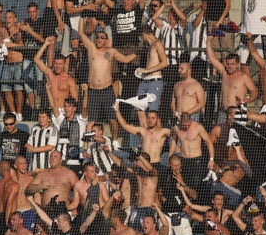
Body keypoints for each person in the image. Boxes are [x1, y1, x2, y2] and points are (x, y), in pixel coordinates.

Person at [79, 16, 137, 149]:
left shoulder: (111, 52)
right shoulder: (91, 48)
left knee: (112, 118)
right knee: (90, 119)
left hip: (107, 90)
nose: (99, 39)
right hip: (93, 91)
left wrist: (137, 52)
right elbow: (81, 33)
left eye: (102, 37)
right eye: (97, 37)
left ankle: (115, 141)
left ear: (107, 40)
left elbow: (126, 59)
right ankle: (87, 147)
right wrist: (83, 16)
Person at [206, 38, 258, 124]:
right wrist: (209, 41)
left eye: (232, 64)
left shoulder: (243, 76)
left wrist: (249, 99)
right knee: (221, 135)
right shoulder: (224, 72)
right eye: (228, 64)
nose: (229, 66)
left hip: (236, 112)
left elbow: (254, 91)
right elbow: (212, 58)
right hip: (223, 112)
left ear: (238, 64)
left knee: (235, 135)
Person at [40, 0, 75, 66]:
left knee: (70, 40)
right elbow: (54, 1)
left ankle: (65, 72)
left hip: (62, 12)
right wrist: (59, 20)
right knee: (52, 42)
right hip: (52, 12)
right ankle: (49, 71)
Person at [168, 112, 215, 190]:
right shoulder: (177, 128)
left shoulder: (198, 127)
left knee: (196, 185)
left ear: (191, 120)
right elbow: (174, 141)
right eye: (184, 125)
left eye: (188, 125)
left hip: (196, 160)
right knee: (183, 182)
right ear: (181, 122)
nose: (186, 127)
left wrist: (211, 159)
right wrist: (170, 155)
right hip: (183, 159)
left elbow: (208, 142)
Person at [135, 25, 168, 127]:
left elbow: (164, 63)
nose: (142, 39)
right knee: (139, 110)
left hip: (155, 81)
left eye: (142, 37)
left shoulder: (158, 44)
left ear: (144, 34)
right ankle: (145, 138)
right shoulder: (149, 46)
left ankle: (156, 140)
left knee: (153, 113)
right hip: (144, 81)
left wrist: (147, 70)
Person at [34, 37, 78, 108]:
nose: (58, 66)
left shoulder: (69, 79)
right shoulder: (50, 74)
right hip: (51, 109)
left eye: (60, 64)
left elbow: (75, 99)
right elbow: (36, 59)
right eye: (56, 64)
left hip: (63, 111)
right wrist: (45, 44)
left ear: (64, 65)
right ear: (53, 64)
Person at [0, 10, 27, 121]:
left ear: (15, 19)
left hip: (18, 63)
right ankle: (13, 112)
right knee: (5, 89)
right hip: (7, 64)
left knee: (18, 89)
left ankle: (19, 113)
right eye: (6, 17)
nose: (7, 20)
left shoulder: (20, 30)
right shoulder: (2, 31)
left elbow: (22, 45)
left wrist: (11, 44)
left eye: (10, 17)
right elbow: (2, 43)